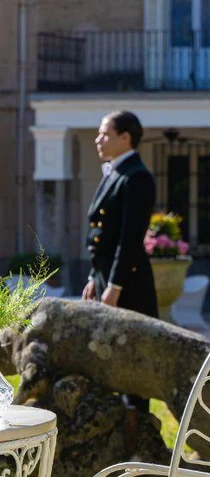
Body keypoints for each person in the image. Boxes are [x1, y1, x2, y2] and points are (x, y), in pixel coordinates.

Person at [81, 110, 158, 440]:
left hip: (128, 284)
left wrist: (114, 285)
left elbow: (129, 240)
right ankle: (117, 436)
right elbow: (103, 236)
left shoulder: (136, 177)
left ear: (125, 137)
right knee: (110, 357)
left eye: (105, 134)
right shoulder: (116, 172)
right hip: (107, 278)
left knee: (132, 361)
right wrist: (93, 277)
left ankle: (138, 439)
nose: (98, 140)